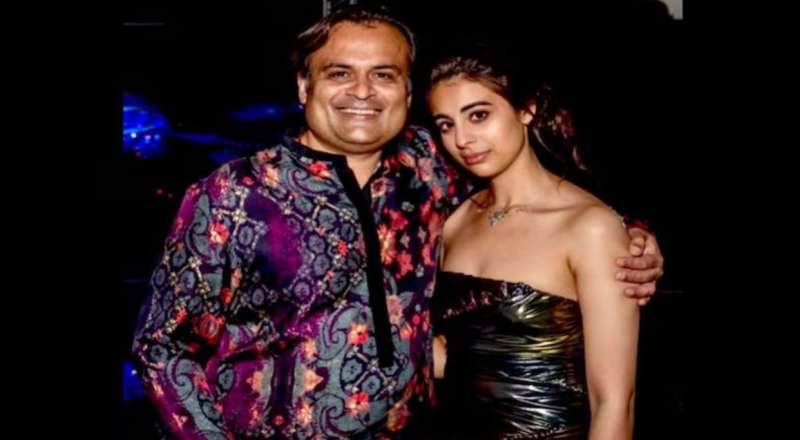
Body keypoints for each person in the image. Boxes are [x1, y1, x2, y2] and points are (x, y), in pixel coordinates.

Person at [132, 6, 663, 439]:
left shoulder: (432, 171)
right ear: (303, 86)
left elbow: (537, 208)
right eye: (340, 72)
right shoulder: (233, 194)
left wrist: (633, 236)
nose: (363, 91)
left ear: (407, 94)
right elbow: (161, 348)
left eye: (383, 75)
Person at [428, 49, 642, 439]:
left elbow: (614, 402)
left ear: (526, 109)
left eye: (479, 115)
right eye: (446, 124)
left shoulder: (589, 228)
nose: (462, 139)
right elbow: (457, 357)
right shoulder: (456, 222)